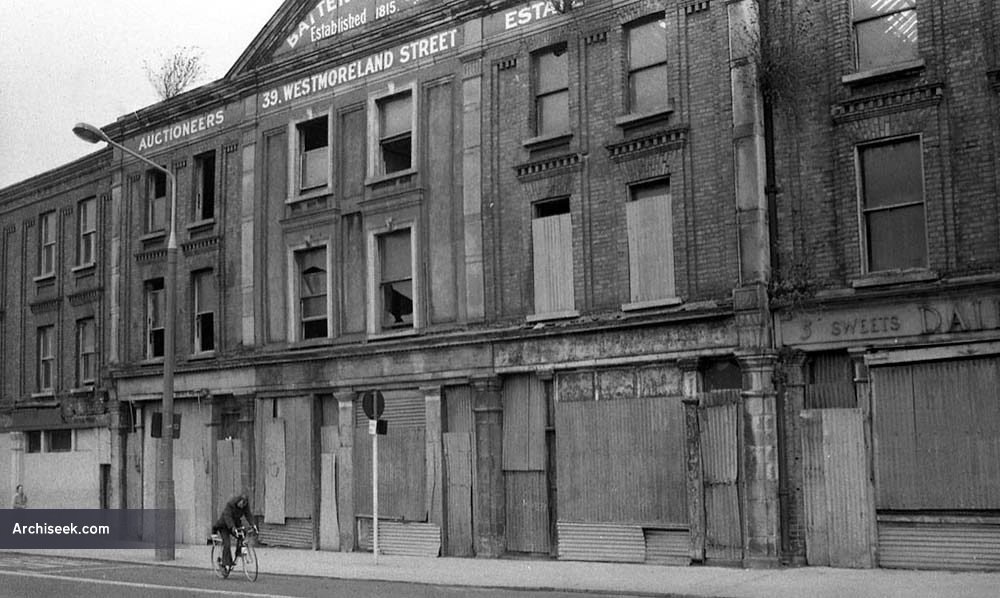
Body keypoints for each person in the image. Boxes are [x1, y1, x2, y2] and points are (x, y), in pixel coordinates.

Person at [212, 493, 253, 568]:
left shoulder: (245, 506)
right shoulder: (230, 505)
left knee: (242, 534)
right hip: (224, 525)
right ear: (238, 501)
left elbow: (248, 515)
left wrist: (253, 525)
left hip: (235, 524)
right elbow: (228, 517)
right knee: (227, 544)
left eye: (244, 505)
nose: (242, 506)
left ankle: (238, 552)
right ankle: (224, 564)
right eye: (241, 504)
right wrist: (232, 527)